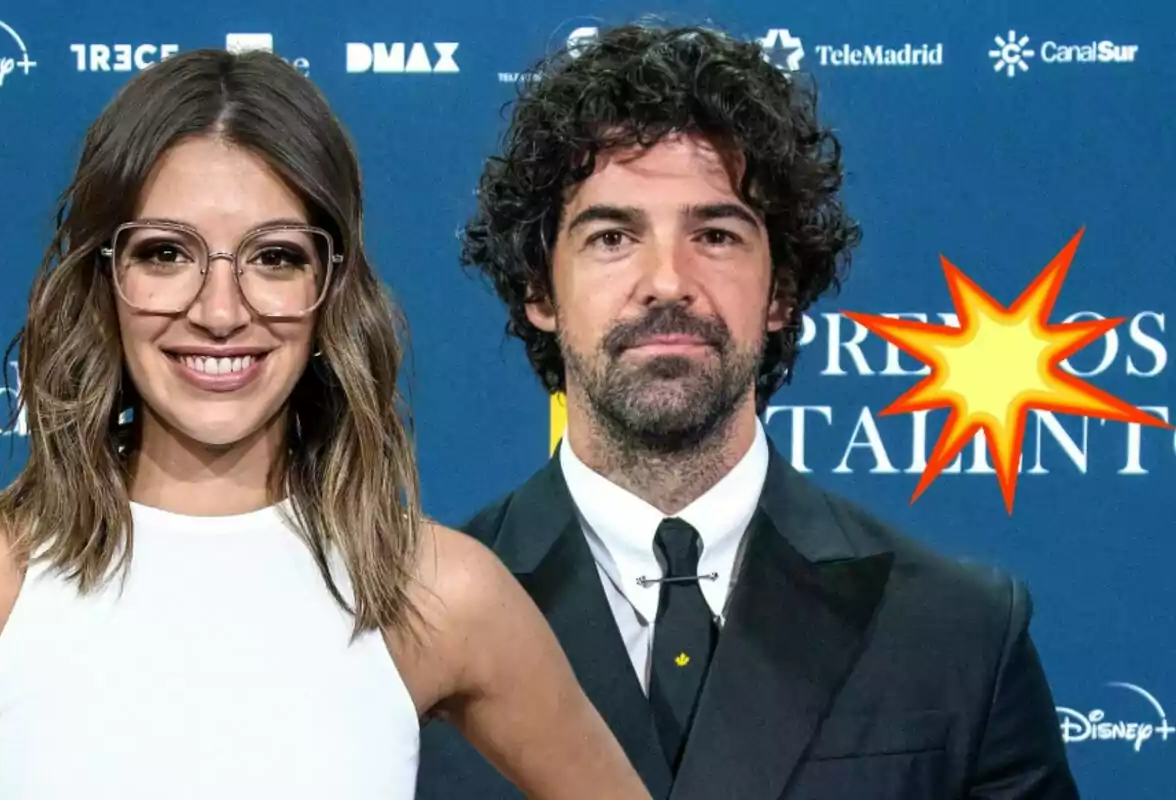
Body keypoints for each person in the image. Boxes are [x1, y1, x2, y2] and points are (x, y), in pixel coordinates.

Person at [416, 23, 1080, 800]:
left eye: (717, 234)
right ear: (539, 291)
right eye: (611, 236)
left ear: (783, 290)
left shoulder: (958, 633)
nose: (667, 280)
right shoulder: (405, 629)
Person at [0, 49, 651, 800]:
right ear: (104, 278)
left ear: (331, 288)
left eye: (274, 258)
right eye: (166, 253)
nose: (221, 312)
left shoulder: (429, 590)